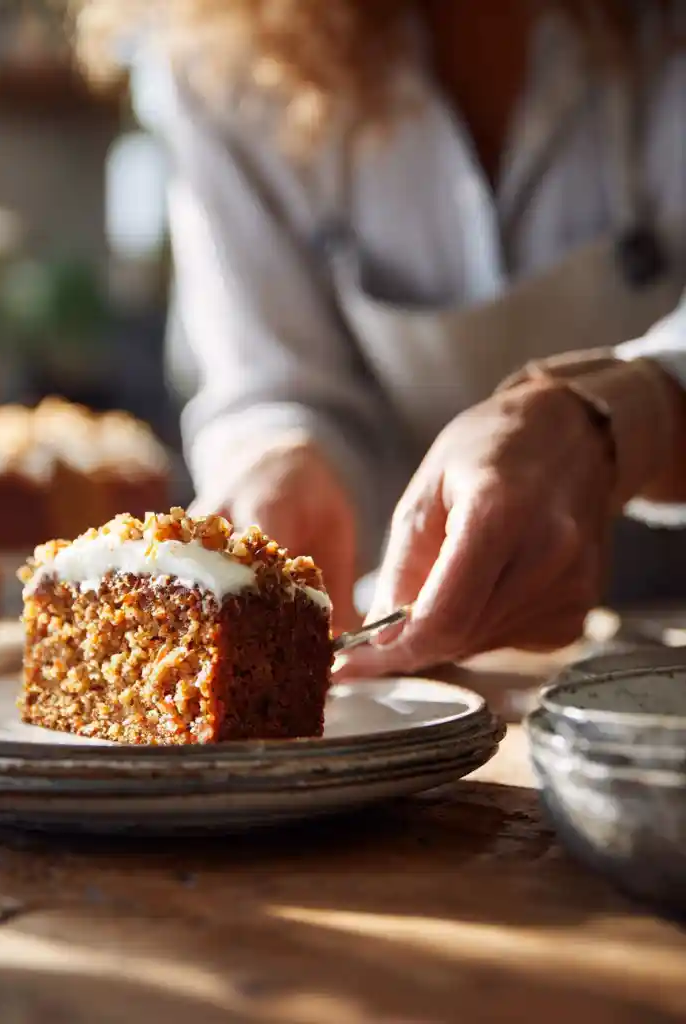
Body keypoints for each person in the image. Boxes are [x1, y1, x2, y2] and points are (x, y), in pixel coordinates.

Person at [76, 1, 686, 661]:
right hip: (417, 668)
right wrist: (282, 455)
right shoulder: (221, 51)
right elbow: (268, 374)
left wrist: (628, 415)